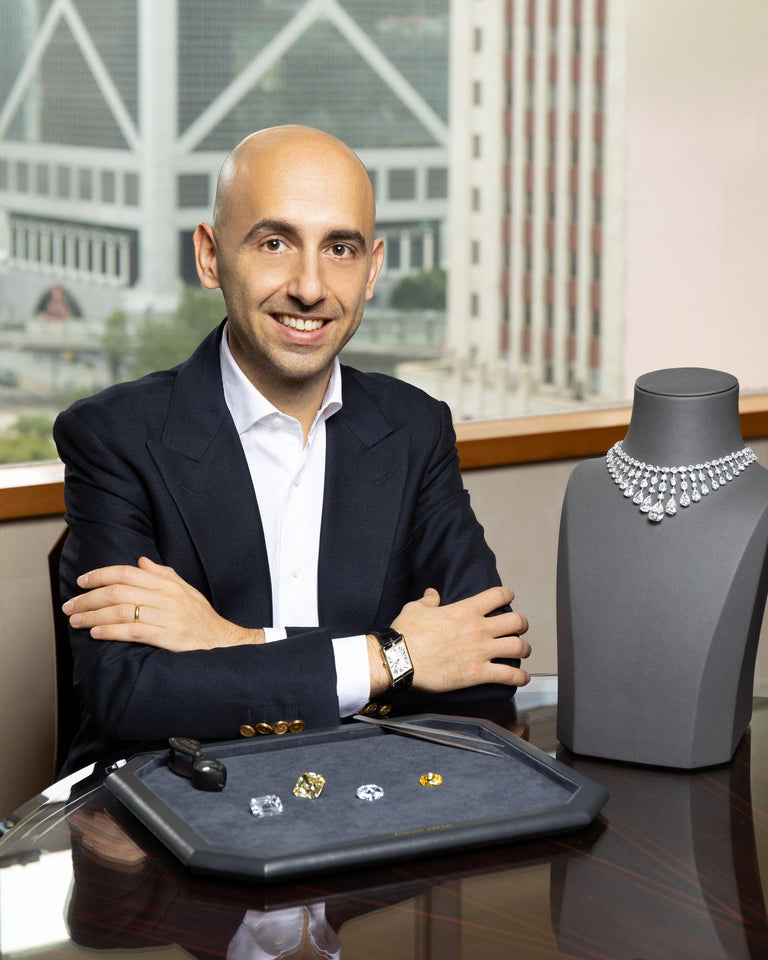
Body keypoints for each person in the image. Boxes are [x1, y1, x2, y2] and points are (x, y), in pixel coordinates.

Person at [55, 125, 530, 775]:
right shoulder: (113, 436)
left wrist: (232, 641)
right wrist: (393, 657)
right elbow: (131, 695)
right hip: (180, 797)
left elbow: (486, 668)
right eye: (275, 243)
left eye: (340, 248)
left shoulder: (416, 428)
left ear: (372, 270)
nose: (310, 286)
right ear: (210, 256)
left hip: (373, 793)